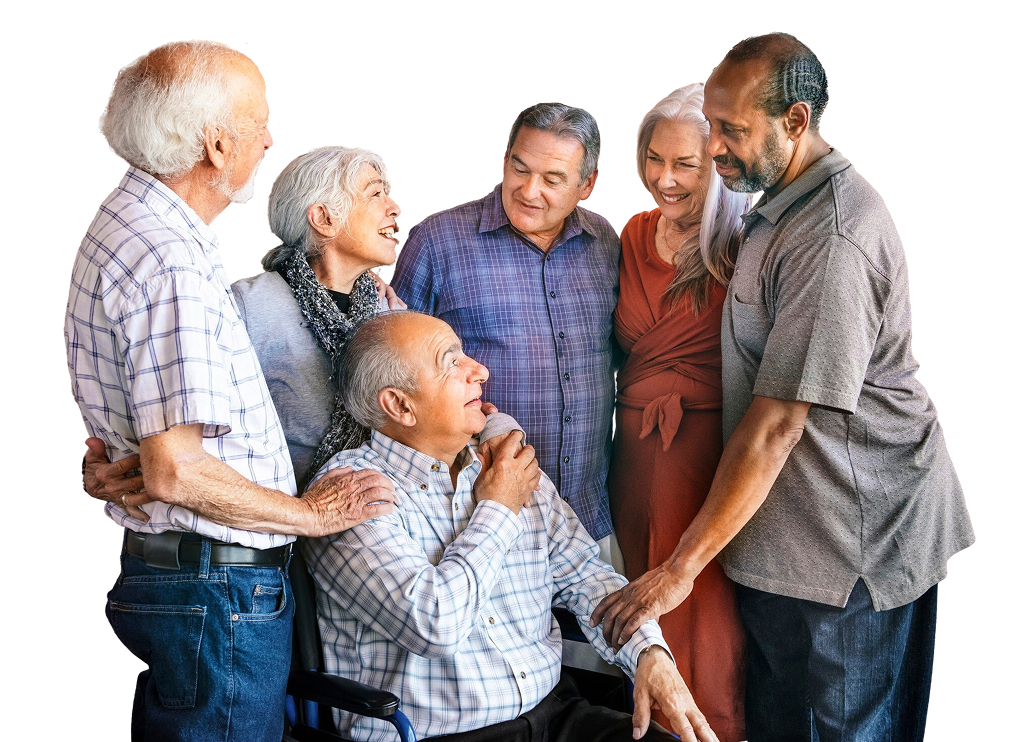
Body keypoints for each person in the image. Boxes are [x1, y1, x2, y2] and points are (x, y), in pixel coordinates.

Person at [592, 33, 974, 741]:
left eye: (730, 131)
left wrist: (679, 569)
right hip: (780, 537)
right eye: (711, 126)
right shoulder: (773, 201)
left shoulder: (831, 235)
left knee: (847, 728)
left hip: (852, 544)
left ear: (796, 122)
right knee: (775, 719)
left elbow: (775, 424)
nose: (712, 150)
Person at [64, 41, 396, 741]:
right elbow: (175, 469)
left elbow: (151, 447)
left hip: (201, 586)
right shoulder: (168, 258)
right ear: (215, 144)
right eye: (258, 117)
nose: (270, 134)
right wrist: (308, 516)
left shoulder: (134, 226)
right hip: (217, 591)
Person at [302, 310, 719, 742]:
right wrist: (498, 507)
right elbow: (434, 624)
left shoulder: (507, 461)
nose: (480, 371)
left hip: (555, 715)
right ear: (400, 405)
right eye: (452, 362)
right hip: (438, 736)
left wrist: (648, 652)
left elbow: (586, 576)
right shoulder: (349, 493)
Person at [391, 102, 623, 563]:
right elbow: (392, 380)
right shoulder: (437, 242)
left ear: (588, 185)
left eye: (553, 180)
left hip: (591, 517)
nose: (529, 190)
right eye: (519, 168)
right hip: (478, 523)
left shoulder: (605, 243)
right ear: (505, 159)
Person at [608, 82, 750, 742]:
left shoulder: (744, 244)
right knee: (642, 623)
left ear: (718, 162)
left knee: (705, 626)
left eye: (683, 165)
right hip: (631, 457)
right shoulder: (633, 234)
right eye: (652, 159)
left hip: (704, 463)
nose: (662, 179)